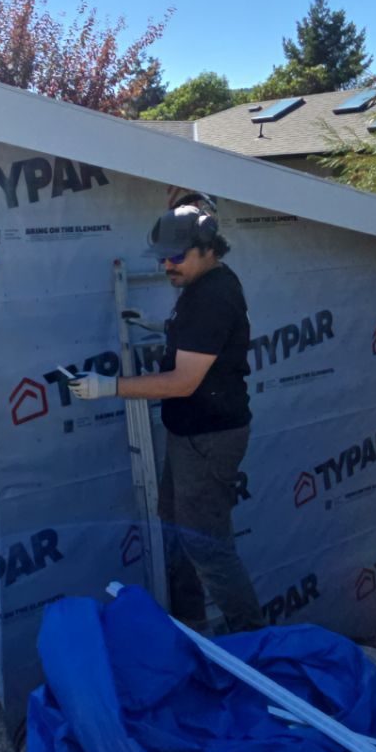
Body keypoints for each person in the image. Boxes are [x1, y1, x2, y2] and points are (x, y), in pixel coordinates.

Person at [68, 200, 262, 633]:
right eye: (162, 258)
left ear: (207, 248)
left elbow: (182, 382)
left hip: (209, 437)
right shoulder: (200, 288)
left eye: (176, 257)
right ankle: (190, 627)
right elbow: (199, 340)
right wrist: (158, 327)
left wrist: (108, 387)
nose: (167, 267)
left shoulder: (213, 294)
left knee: (208, 547)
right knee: (176, 526)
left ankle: (255, 646)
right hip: (191, 432)